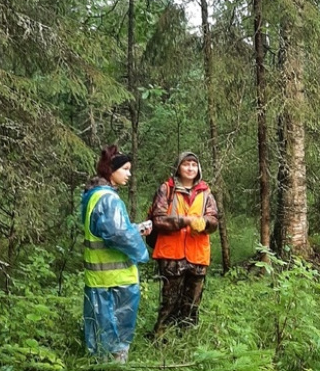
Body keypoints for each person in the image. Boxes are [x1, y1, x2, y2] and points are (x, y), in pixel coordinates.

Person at [82, 145, 150, 363]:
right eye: (125, 169)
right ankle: (114, 365)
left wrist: (136, 228)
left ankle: (103, 363)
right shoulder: (108, 199)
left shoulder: (93, 195)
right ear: (111, 170)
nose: (129, 174)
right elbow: (118, 236)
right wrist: (141, 251)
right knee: (115, 332)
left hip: (99, 279)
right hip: (115, 281)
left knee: (99, 328)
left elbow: (109, 231)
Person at [148, 152, 219, 337]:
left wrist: (205, 223)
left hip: (197, 255)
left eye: (194, 165)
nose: (190, 168)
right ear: (178, 167)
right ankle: (161, 336)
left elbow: (214, 219)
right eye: (186, 164)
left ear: (198, 169)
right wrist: (185, 221)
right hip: (172, 254)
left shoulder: (205, 192)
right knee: (169, 301)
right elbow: (158, 219)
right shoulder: (166, 189)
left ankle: (186, 338)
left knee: (192, 302)